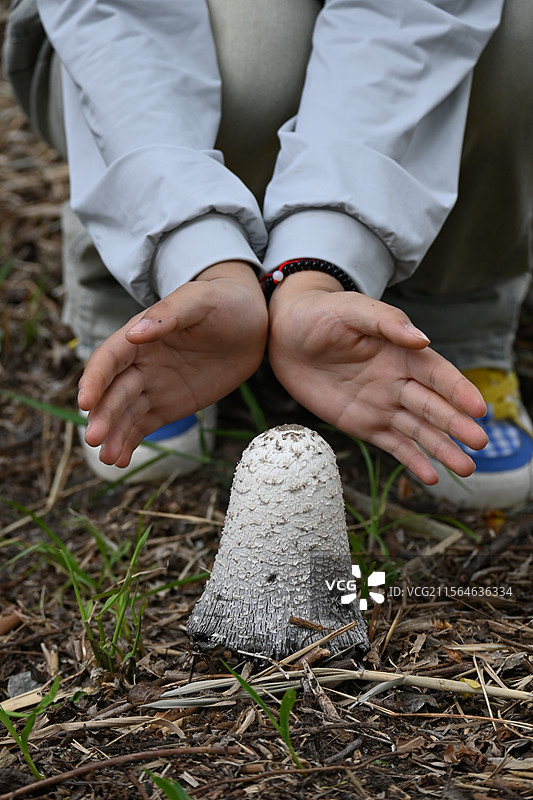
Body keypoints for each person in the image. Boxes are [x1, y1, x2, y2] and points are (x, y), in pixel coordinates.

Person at [4, 0, 532, 508]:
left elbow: (414, 15)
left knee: (514, 42)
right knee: (257, 56)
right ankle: (151, 303)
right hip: (132, 42)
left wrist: (315, 271)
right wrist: (200, 255)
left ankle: (452, 316)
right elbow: (114, 16)